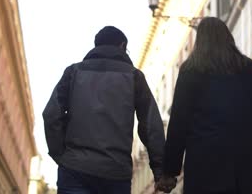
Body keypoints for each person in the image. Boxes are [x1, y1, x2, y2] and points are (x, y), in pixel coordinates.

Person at [157, 17, 252, 194]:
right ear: (228, 38)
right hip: (247, 167)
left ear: (199, 41)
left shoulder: (190, 71)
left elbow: (179, 123)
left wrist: (170, 171)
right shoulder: (249, 68)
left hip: (205, 168)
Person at [43, 26, 169, 194]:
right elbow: (150, 125)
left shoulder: (74, 72)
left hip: (75, 170)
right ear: (122, 46)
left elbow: (52, 114)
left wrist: (61, 156)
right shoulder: (134, 77)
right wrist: (159, 171)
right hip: (115, 173)